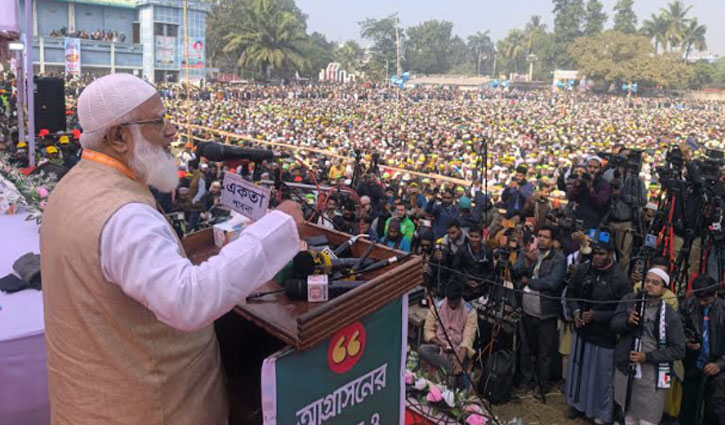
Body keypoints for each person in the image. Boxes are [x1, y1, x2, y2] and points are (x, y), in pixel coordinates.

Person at [39, 74, 303, 425]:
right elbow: (188, 301)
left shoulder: (73, 186)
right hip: (149, 408)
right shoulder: (125, 215)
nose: (172, 131)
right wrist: (278, 227)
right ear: (118, 136)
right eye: (159, 121)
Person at [565, 237, 631, 424]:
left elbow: (623, 311)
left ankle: (601, 413)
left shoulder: (620, 278)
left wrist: (597, 315)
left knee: (601, 378)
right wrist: (576, 311)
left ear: (610, 254)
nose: (597, 257)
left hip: (605, 337)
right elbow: (571, 293)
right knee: (578, 371)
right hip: (581, 332)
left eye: (601, 253)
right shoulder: (584, 269)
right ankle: (577, 404)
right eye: (595, 253)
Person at [611, 268, 686, 425]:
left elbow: (679, 350)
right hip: (626, 369)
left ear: (664, 289)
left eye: (655, 283)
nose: (650, 285)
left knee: (647, 420)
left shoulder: (670, 315)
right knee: (627, 416)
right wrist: (627, 322)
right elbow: (614, 325)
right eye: (648, 281)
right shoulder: (630, 300)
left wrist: (647, 357)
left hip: (651, 376)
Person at [513, 224, 567, 397]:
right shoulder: (530, 253)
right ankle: (526, 381)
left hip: (546, 313)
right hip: (526, 310)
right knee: (526, 349)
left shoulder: (558, 259)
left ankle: (542, 385)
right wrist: (527, 261)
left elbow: (553, 283)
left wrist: (529, 281)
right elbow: (515, 272)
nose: (542, 239)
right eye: (540, 236)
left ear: (552, 241)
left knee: (544, 353)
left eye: (546, 236)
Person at [679, 274, 725, 425]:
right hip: (694, 363)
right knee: (688, 406)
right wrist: (687, 340)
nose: (702, 302)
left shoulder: (722, 310)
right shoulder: (689, 305)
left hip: (717, 369)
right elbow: (680, 327)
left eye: (706, 299)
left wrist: (719, 364)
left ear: (715, 295)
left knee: (712, 410)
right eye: (699, 299)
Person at [418, 282, 477, 389]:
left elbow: (468, 339)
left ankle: (455, 373)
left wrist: (459, 362)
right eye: (451, 302)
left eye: (456, 302)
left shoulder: (470, 312)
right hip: (441, 347)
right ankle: (450, 369)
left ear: (460, 298)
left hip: (460, 351)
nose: (453, 305)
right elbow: (428, 331)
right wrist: (440, 343)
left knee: (455, 383)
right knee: (423, 349)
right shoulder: (437, 308)